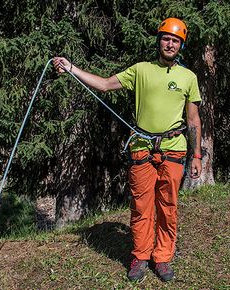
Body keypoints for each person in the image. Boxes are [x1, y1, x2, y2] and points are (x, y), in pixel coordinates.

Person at [53, 17, 202, 282]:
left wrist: (197, 154)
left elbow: (193, 120)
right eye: (166, 38)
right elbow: (106, 84)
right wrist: (72, 68)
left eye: (176, 41)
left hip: (174, 149)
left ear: (181, 46)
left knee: (168, 206)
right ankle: (141, 256)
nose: (170, 44)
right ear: (159, 41)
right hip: (142, 148)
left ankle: (163, 258)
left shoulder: (188, 77)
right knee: (141, 207)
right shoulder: (141, 70)